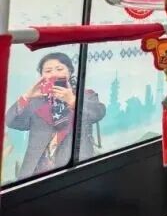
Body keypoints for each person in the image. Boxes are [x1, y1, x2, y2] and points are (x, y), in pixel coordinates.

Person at [5, 52, 105, 180]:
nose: (54, 74)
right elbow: (11, 122)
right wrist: (26, 97)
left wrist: (73, 101)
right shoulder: (35, 101)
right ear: (42, 76)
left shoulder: (85, 95)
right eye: (48, 71)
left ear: (70, 72)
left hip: (73, 168)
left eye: (59, 69)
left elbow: (98, 113)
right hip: (35, 170)